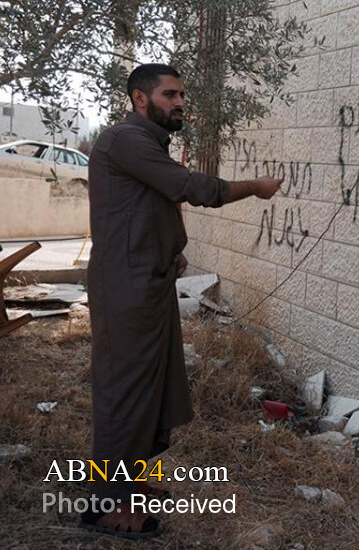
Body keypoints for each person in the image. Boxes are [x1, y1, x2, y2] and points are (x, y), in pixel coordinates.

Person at [82, 64, 281, 538]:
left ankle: (136, 485)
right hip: (126, 288)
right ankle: (108, 506)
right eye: (170, 94)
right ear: (139, 99)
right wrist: (254, 187)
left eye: (182, 96)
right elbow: (192, 188)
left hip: (147, 284)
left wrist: (171, 245)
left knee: (153, 391)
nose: (180, 103)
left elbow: (146, 207)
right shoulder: (126, 140)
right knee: (125, 394)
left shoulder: (146, 144)